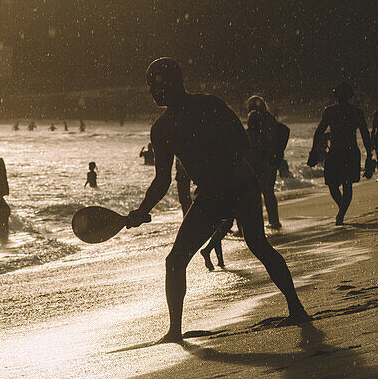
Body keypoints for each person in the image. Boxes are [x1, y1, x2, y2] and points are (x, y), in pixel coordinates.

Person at [125, 58, 311, 342]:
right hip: (214, 193)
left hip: (238, 185)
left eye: (157, 84)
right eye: (150, 85)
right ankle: (174, 330)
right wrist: (141, 210)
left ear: (175, 82)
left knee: (257, 244)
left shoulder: (208, 105)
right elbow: (162, 180)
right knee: (175, 261)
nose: (152, 91)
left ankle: (297, 309)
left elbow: (242, 145)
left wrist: (220, 174)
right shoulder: (163, 128)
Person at [310, 82, 372, 225]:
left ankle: (341, 214)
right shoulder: (351, 112)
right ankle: (342, 211)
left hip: (340, 152)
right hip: (344, 152)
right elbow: (365, 136)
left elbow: (319, 132)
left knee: (338, 184)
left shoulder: (334, 111)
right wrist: (369, 155)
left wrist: (314, 150)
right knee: (342, 184)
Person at [246, 95, 286, 230]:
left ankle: (269, 222)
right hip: (269, 162)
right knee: (268, 193)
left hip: (264, 163)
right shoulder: (269, 121)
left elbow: (266, 144)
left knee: (262, 194)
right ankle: (273, 221)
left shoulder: (264, 123)